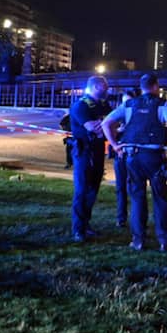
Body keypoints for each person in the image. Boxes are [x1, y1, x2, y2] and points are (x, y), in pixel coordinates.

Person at [102, 74, 167, 252]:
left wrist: (115, 145)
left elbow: (106, 123)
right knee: (160, 198)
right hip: (153, 156)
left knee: (137, 198)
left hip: (133, 157)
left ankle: (138, 240)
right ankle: (165, 241)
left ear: (141, 87)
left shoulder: (129, 104)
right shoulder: (162, 104)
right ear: (155, 86)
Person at [68, 76, 112, 242]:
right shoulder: (80, 106)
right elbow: (93, 128)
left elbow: (114, 123)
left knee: (93, 189)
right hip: (84, 152)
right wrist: (105, 125)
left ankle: (86, 225)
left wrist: (105, 125)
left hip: (98, 151)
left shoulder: (102, 104)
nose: (107, 90)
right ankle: (78, 229)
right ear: (96, 87)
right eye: (104, 87)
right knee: (82, 190)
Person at [108, 89, 138, 228]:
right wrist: (115, 141)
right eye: (123, 101)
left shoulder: (140, 117)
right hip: (121, 156)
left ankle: (137, 218)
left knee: (135, 188)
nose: (124, 105)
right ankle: (121, 218)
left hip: (136, 156)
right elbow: (107, 126)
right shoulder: (119, 115)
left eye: (128, 101)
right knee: (121, 188)